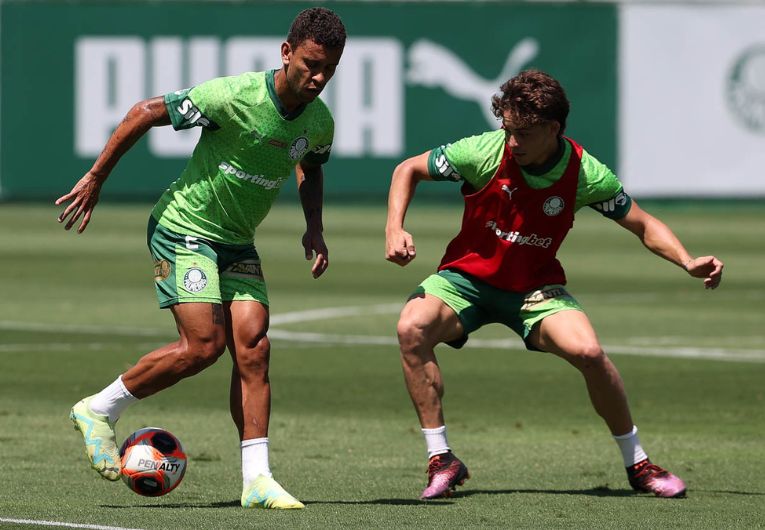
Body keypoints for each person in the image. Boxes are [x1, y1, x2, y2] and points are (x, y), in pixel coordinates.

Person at [385, 69, 723, 500]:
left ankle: (638, 464)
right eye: (507, 129)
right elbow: (407, 169)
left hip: (533, 291)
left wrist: (686, 260)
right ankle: (441, 458)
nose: (512, 142)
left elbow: (642, 223)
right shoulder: (484, 152)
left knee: (589, 352)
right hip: (465, 281)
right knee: (411, 328)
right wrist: (395, 228)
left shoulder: (585, 173)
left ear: (553, 129)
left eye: (523, 133)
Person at [57, 7, 346, 509]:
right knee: (203, 346)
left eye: (329, 69)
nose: (318, 78)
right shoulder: (233, 97)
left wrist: (314, 228)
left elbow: (312, 165)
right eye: (310, 64)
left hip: (236, 240)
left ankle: (256, 480)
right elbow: (145, 112)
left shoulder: (320, 121)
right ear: (286, 52)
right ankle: (98, 410)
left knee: (253, 346)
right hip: (184, 229)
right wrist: (97, 177)